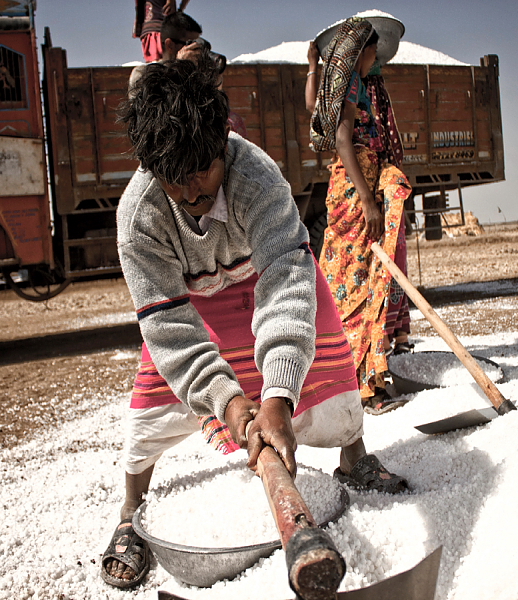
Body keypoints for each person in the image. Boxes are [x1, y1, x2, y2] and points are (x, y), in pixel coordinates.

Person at [101, 60, 407, 589]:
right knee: (150, 411)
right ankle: (130, 512)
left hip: (266, 276)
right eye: (177, 181)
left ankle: (353, 456)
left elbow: (288, 280)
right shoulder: (139, 216)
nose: (194, 192)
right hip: (192, 301)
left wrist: (277, 397)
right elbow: (168, 324)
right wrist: (226, 400)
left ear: (224, 140)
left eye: (205, 171)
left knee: (332, 374)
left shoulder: (256, 175)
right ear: (151, 169)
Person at [309, 17, 414, 415]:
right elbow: (340, 138)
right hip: (355, 191)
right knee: (366, 281)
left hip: (344, 190)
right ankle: (367, 386)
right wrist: (369, 199)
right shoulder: (354, 82)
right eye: (373, 52)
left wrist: (311, 70)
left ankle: (346, 379)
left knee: (343, 280)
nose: (375, 61)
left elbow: (314, 113)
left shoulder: (337, 86)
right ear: (362, 52)